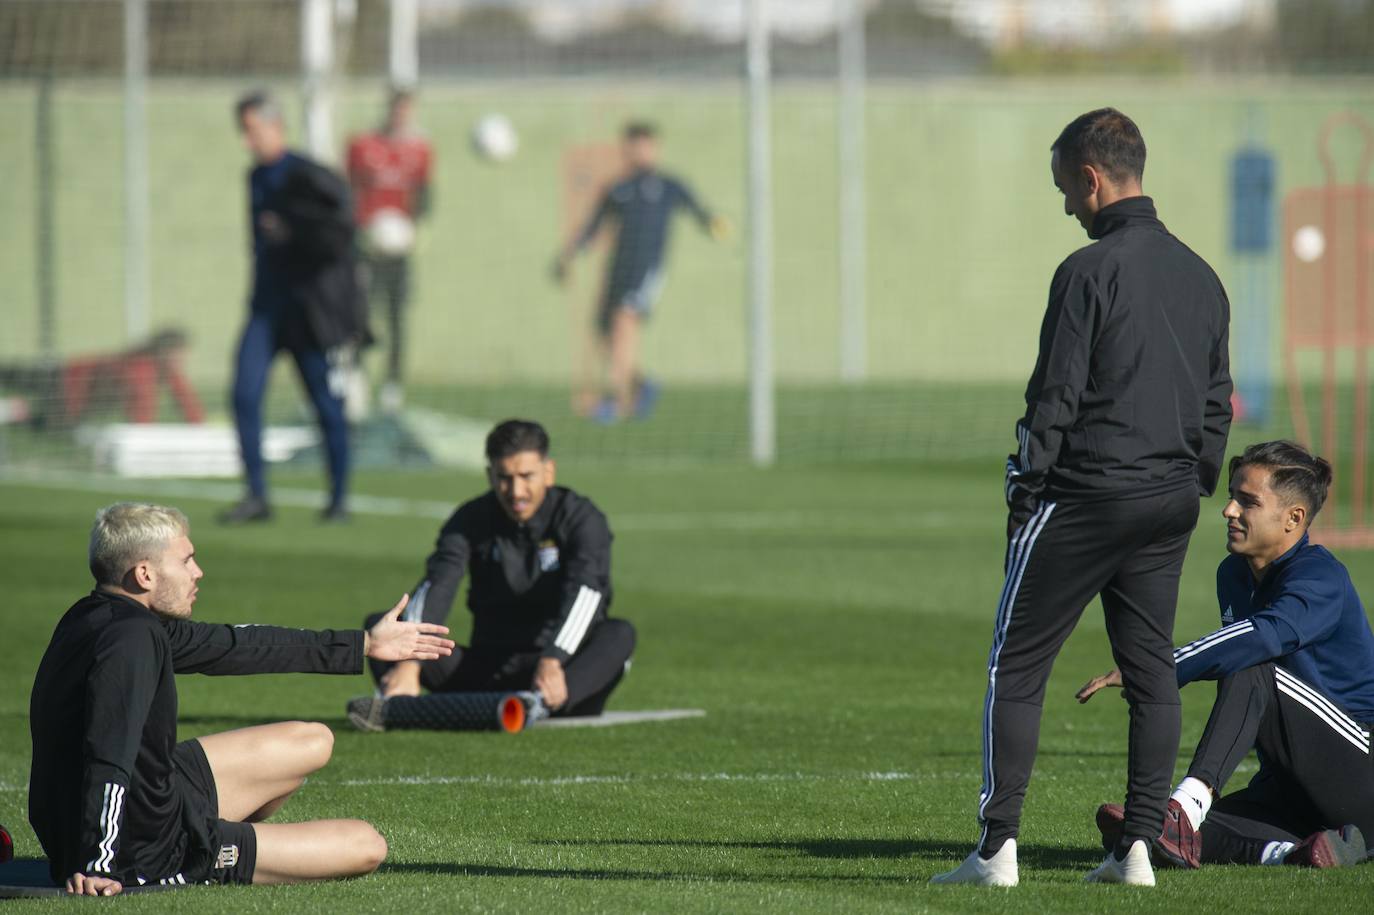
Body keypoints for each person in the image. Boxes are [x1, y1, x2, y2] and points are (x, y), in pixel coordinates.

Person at [931, 108, 1233, 888]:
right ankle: (1137, 851)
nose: (1067, 204)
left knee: (1015, 663)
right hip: (1169, 499)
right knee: (1150, 671)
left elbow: (1054, 397)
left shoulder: (1087, 270)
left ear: (1092, 178)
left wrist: (1024, 487)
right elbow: (1217, 403)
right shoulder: (1203, 276)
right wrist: (1194, 479)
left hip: (1088, 494)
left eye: (1067, 187)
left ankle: (996, 851)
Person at [27, 502, 455, 895]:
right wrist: (98, 864)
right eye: (186, 560)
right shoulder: (131, 642)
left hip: (150, 796)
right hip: (140, 847)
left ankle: (209, 830)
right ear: (145, 575)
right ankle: (207, 849)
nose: (198, 572)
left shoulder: (103, 616)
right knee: (367, 845)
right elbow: (109, 755)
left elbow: (234, 645)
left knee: (313, 740)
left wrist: (363, 644)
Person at [1079, 441, 1373, 871]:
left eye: (1248, 502)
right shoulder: (1233, 574)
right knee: (1156, 833)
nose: (1229, 510)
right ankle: (1294, 853)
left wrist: (1160, 667)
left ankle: (1185, 807)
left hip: (1360, 777)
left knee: (1253, 665)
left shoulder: (1321, 577)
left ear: (1294, 518)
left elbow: (1264, 637)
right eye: (1232, 496)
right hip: (1292, 786)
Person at [349, 419, 635, 730]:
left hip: (558, 672)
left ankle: (533, 705)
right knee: (381, 627)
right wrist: (410, 661)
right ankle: (398, 706)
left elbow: (587, 594)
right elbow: (438, 583)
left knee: (619, 633)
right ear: (490, 475)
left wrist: (553, 659)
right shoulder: (471, 519)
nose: (516, 491)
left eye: (526, 476)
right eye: (504, 478)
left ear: (548, 471)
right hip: (486, 672)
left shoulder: (581, 518)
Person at [221, 91, 368, 525]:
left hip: (308, 315)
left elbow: (339, 233)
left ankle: (339, 500)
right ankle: (256, 496)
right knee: (244, 394)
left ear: (276, 126)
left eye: (252, 130)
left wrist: (293, 231)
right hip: (266, 311)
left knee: (327, 406)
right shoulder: (253, 177)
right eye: (243, 131)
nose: (246, 141)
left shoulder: (308, 175)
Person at [552, 122, 729, 424]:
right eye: (633, 145)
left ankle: (617, 401)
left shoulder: (669, 185)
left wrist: (712, 223)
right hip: (619, 267)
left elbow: (698, 209)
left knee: (624, 324)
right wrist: (569, 255)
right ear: (625, 148)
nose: (639, 151)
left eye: (645, 145)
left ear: (655, 148)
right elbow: (593, 228)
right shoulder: (617, 189)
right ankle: (640, 387)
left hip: (647, 267)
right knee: (604, 330)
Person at [346, 87, 433, 414]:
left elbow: (424, 194)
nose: (401, 116)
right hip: (367, 248)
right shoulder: (362, 145)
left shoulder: (420, 149)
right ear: (389, 110)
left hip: (399, 251)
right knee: (360, 314)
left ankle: (392, 385)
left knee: (397, 315)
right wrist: (359, 230)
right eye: (397, 109)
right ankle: (356, 377)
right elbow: (348, 190)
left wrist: (417, 229)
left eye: (407, 110)